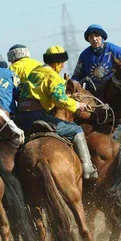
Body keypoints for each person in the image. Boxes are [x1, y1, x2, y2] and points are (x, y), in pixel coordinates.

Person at [17, 45, 98, 180]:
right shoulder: (53, 77)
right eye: (62, 63)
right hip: (38, 116)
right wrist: (78, 105)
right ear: (58, 63)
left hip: (20, 117)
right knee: (77, 129)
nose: (62, 66)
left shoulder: (35, 72)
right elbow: (59, 99)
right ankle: (88, 168)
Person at [72, 24, 121, 97]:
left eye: (97, 36)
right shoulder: (84, 55)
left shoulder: (115, 50)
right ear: (88, 39)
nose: (94, 39)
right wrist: (71, 84)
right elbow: (77, 75)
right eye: (91, 37)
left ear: (102, 37)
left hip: (116, 92)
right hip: (93, 94)